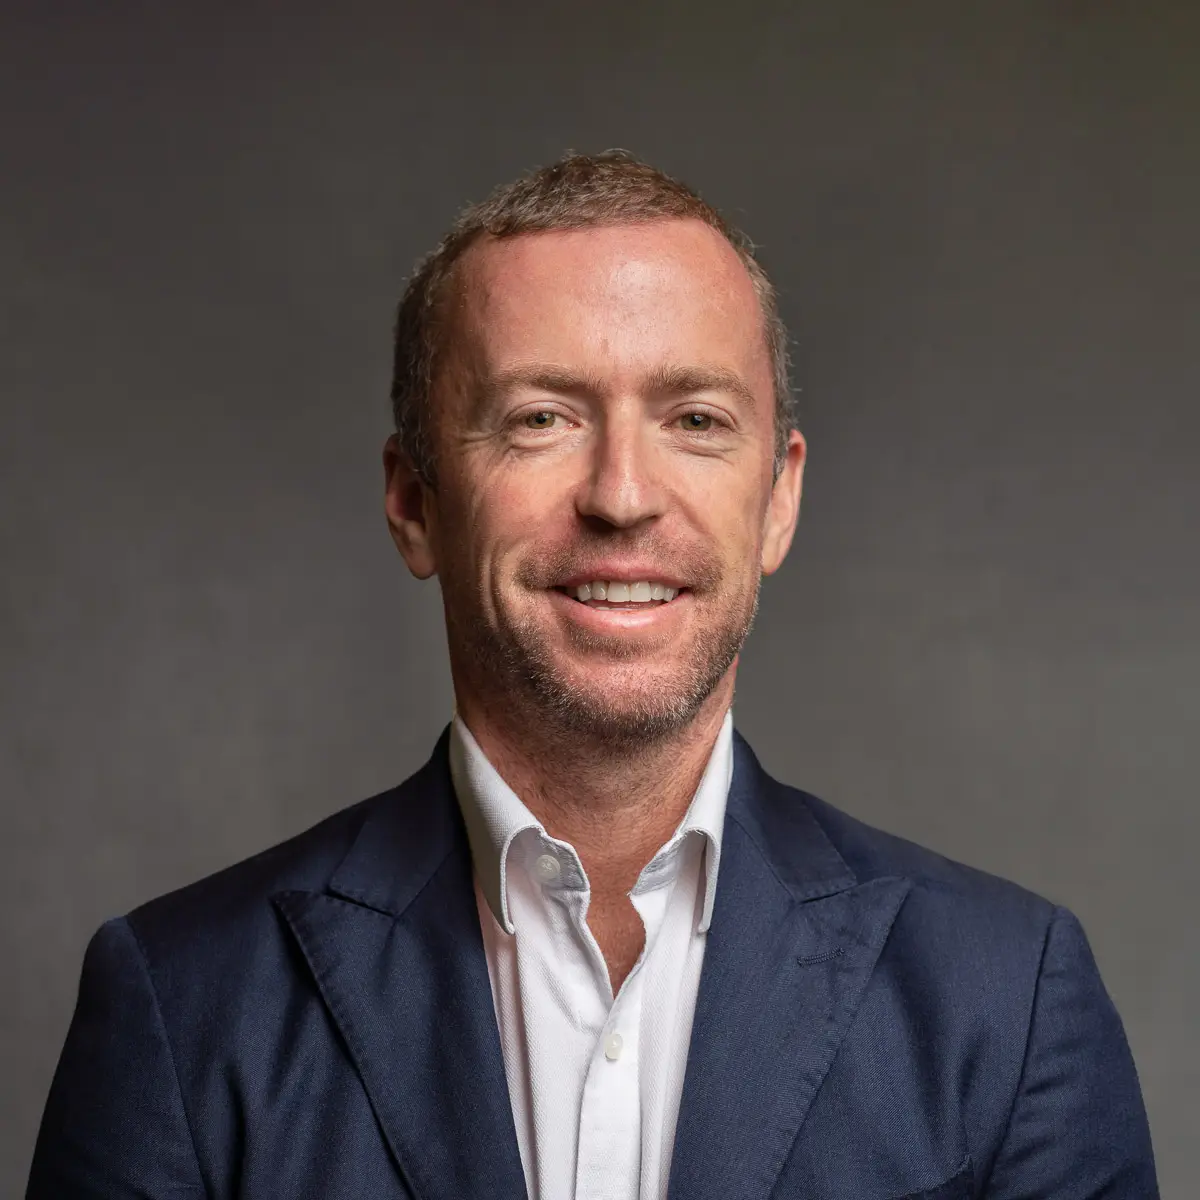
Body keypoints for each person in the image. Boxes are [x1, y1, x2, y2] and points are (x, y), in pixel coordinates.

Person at [27, 151, 1157, 1200]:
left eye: (697, 418)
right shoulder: (181, 1006)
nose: (622, 493)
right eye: (541, 418)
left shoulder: (1007, 1001)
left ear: (780, 499)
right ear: (414, 502)